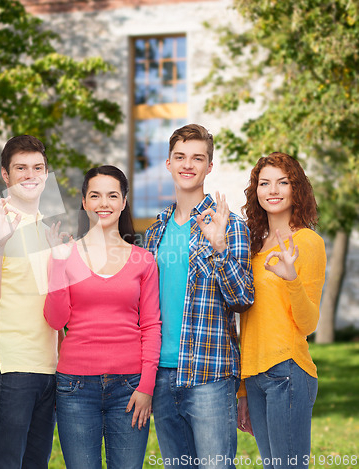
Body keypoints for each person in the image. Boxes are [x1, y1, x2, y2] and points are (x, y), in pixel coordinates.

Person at [144, 124, 255, 468]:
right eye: (180, 157)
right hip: (162, 375)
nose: (187, 165)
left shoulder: (231, 225)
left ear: (209, 166)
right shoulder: (154, 232)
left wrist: (219, 246)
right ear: (168, 163)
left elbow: (243, 298)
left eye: (197, 158)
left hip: (209, 373)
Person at [43, 165, 161, 469]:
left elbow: (150, 325)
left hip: (130, 386)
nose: (103, 204)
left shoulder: (142, 260)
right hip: (75, 387)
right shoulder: (65, 254)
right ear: (84, 202)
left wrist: (147, 386)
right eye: (95, 196)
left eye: (112, 196)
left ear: (123, 202)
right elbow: (56, 321)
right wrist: (56, 266)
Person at [0, 135, 62, 469]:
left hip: (47, 370)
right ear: (6, 175)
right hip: (8, 370)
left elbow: (54, 307)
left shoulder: (48, 230)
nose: (30, 174)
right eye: (21, 168)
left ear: (46, 174)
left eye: (37, 167)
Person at [237, 152, 326, 469]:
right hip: (256, 377)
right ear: (256, 190)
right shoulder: (251, 245)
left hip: (287, 373)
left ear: (295, 188)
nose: (272, 190)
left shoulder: (308, 242)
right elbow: (246, 321)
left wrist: (290, 279)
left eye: (282, 182)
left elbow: (308, 323)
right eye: (264, 183)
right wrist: (243, 390)